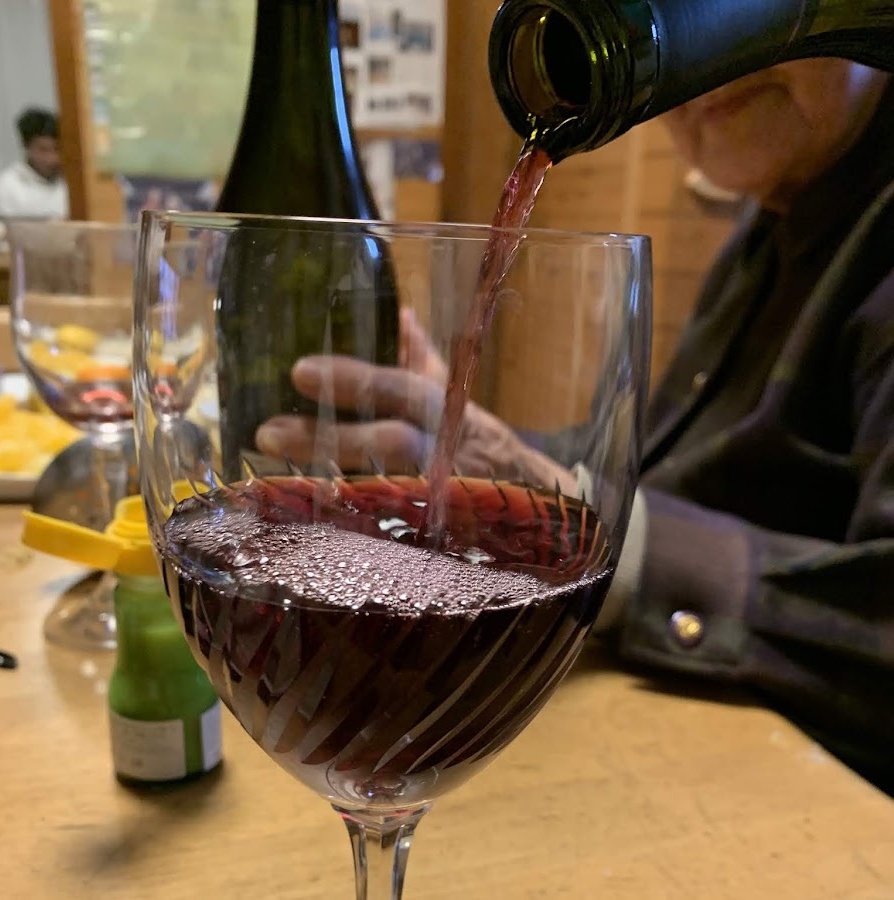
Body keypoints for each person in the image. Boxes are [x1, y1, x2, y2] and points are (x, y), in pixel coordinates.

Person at [251, 59, 894, 794]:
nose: (708, 70)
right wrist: (488, 452)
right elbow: (663, 475)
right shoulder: (769, 229)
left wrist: (605, 539)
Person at [0, 108, 68, 220]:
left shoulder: (70, 180)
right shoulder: (7, 185)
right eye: (43, 150)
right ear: (27, 147)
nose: (52, 158)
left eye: (57, 149)